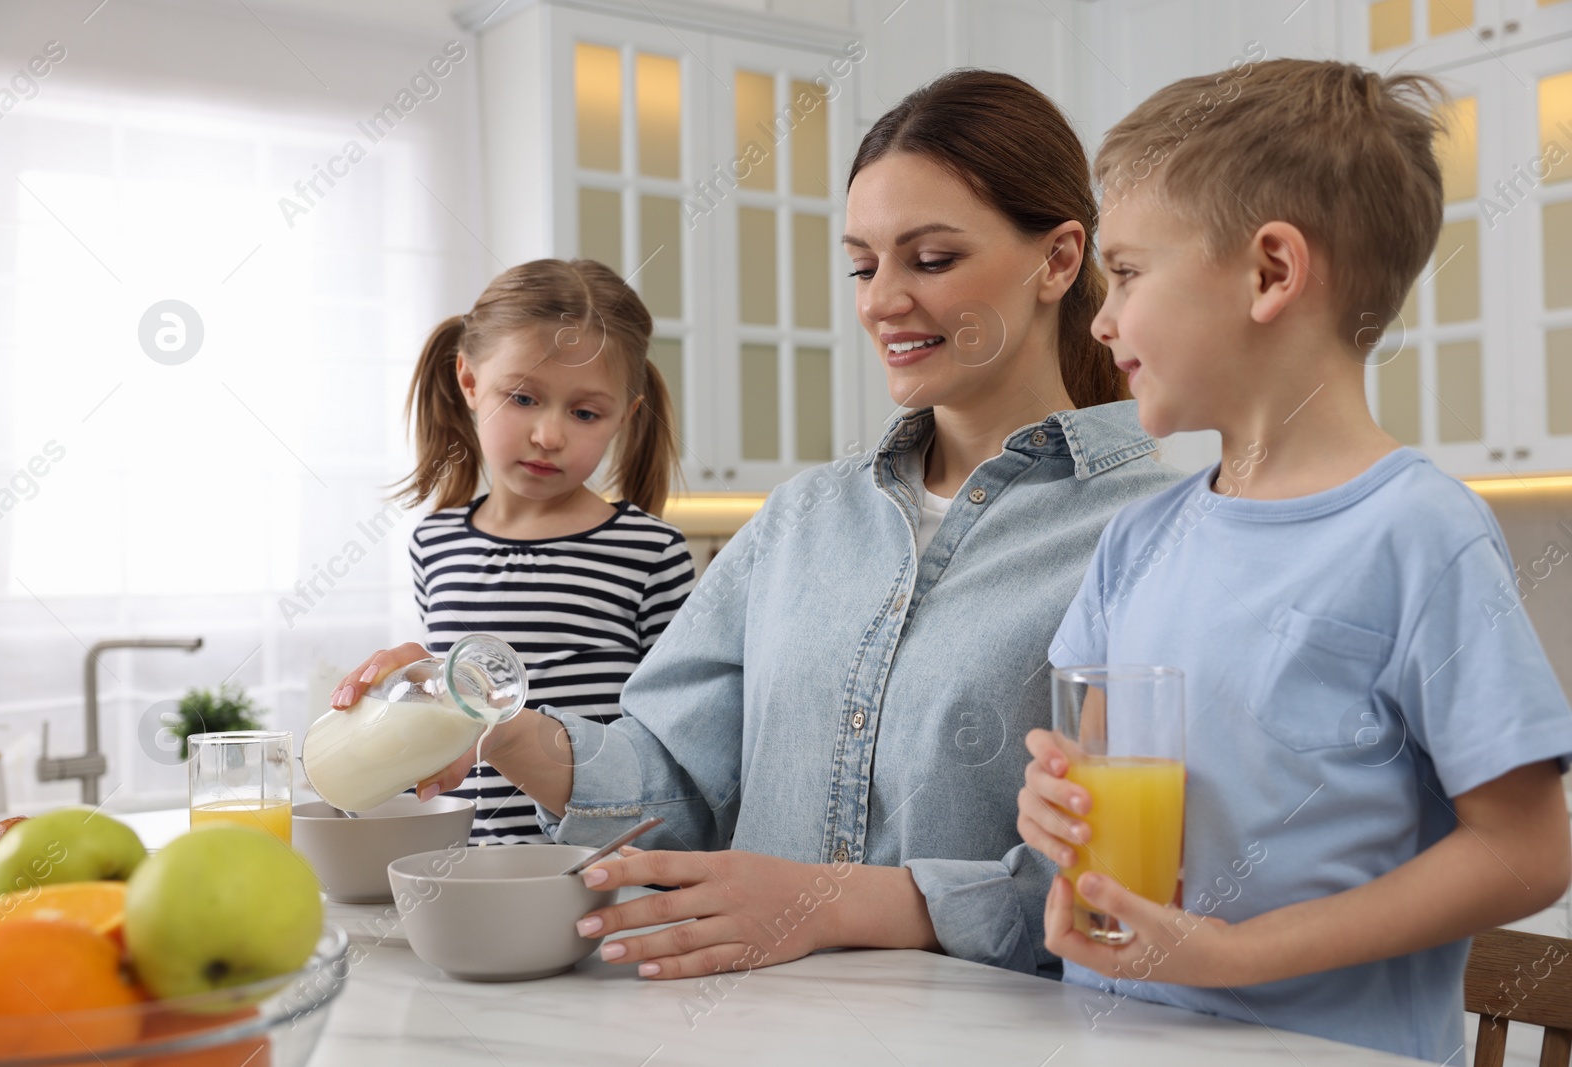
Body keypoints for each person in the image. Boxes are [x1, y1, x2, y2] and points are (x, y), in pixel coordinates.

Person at [333, 70, 1185, 979]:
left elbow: (1123, 886)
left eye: (930, 260)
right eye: (862, 265)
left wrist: (827, 903)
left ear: (1058, 260)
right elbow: (674, 795)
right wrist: (495, 722)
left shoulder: (1156, 531)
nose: (880, 300)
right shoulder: (802, 521)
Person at [1017, 59, 1572, 1061]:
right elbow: (1097, 774)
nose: (1100, 319)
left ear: (1271, 271)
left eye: (1130, 272)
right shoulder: (1137, 538)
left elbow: (1526, 849)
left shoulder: (1417, 534)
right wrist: (1050, 810)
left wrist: (1232, 950)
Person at [338, 258, 696, 842]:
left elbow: (674, 750)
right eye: (524, 398)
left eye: (584, 413)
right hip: (466, 868)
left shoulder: (650, 553)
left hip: (602, 871)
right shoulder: (436, 543)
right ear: (471, 382)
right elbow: (447, 716)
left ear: (624, 418)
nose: (549, 435)